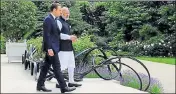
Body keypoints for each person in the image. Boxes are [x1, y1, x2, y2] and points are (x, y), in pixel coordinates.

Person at [36, 3, 76, 93]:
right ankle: (64, 87)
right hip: (51, 49)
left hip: (53, 48)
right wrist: (49, 48)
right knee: (57, 68)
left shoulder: (54, 19)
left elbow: (57, 35)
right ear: (54, 10)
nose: (60, 11)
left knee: (45, 67)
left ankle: (40, 85)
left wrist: (69, 38)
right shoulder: (48, 19)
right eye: (59, 10)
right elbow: (46, 35)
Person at [55, 7, 82, 88]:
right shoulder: (58, 22)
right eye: (66, 13)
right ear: (61, 13)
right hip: (62, 48)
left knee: (71, 65)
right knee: (62, 66)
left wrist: (72, 39)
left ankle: (71, 81)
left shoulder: (66, 23)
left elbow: (67, 36)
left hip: (69, 48)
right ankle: (58, 82)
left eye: (68, 13)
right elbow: (58, 35)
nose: (68, 14)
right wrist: (69, 37)